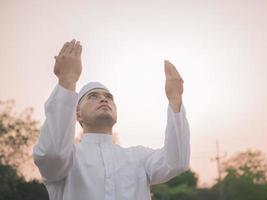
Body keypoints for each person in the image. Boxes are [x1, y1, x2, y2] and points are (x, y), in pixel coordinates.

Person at [33, 39, 190, 200]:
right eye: (93, 96)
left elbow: (177, 162)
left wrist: (175, 99)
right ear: (77, 115)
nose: (104, 100)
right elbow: (52, 155)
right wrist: (67, 81)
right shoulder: (69, 158)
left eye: (109, 97)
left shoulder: (138, 158)